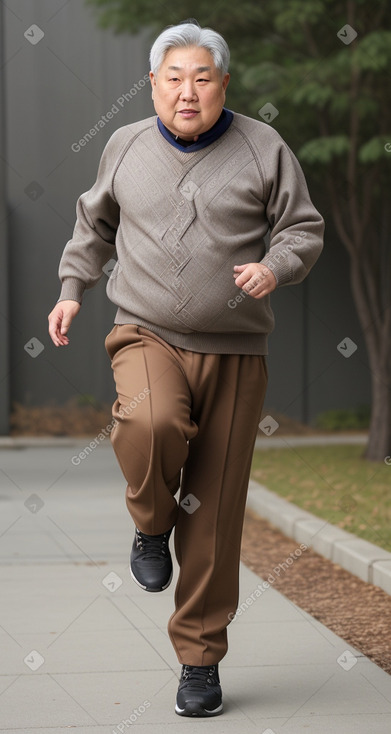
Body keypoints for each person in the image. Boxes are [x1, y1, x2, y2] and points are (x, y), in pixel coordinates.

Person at [48, 19, 324, 718]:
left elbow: (302, 228)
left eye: (202, 77)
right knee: (148, 420)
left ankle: (199, 662)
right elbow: (93, 224)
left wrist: (272, 265)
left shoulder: (263, 147)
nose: (187, 91)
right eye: (173, 78)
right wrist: (71, 290)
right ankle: (148, 520)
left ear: (223, 83)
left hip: (235, 352)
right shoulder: (126, 144)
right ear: (152, 85)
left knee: (212, 519)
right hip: (147, 333)